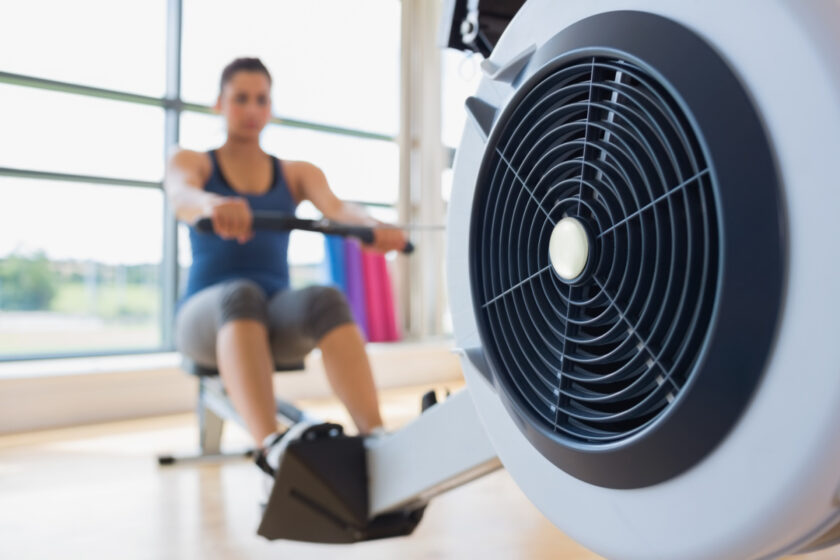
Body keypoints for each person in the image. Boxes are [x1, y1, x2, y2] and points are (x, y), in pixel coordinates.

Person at [165, 57, 407, 477]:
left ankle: (378, 440)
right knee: (241, 294)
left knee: (325, 299)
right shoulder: (195, 162)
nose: (252, 109)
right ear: (219, 104)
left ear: (271, 108)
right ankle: (272, 450)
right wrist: (212, 204)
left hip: (272, 318)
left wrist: (371, 227)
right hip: (203, 322)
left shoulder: (296, 173)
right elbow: (181, 195)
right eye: (240, 99)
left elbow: (336, 209)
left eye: (261, 99)